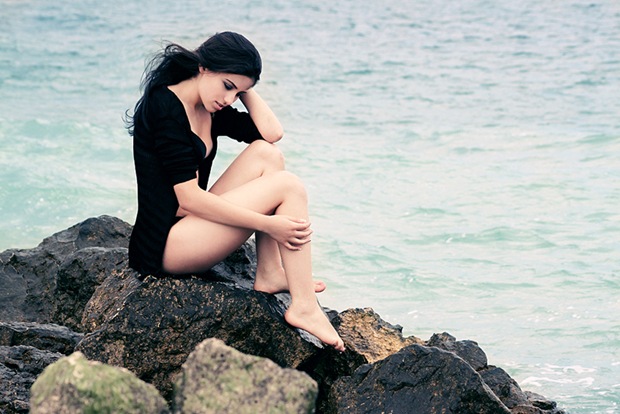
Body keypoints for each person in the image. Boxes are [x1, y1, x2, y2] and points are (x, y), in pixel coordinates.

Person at [126, 31, 344, 352]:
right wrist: (267, 224)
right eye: (227, 86)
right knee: (288, 186)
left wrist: (244, 89)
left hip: (191, 226)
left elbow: (272, 134)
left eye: (237, 93)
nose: (228, 99)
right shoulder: (164, 107)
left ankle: (270, 272)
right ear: (203, 67)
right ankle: (304, 306)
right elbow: (187, 200)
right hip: (164, 246)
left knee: (267, 155)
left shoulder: (209, 107)